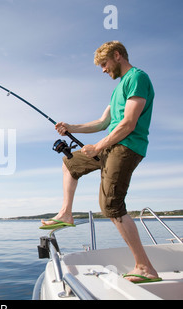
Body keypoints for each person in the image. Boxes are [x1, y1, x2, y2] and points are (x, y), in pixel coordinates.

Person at [40, 41, 161, 283]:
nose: (103, 70)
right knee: (70, 164)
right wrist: (70, 127)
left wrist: (98, 146)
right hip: (110, 146)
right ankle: (66, 214)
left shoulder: (137, 78)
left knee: (111, 205)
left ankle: (145, 267)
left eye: (104, 64)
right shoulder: (117, 90)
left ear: (117, 56)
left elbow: (128, 124)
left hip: (126, 147)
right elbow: (102, 123)